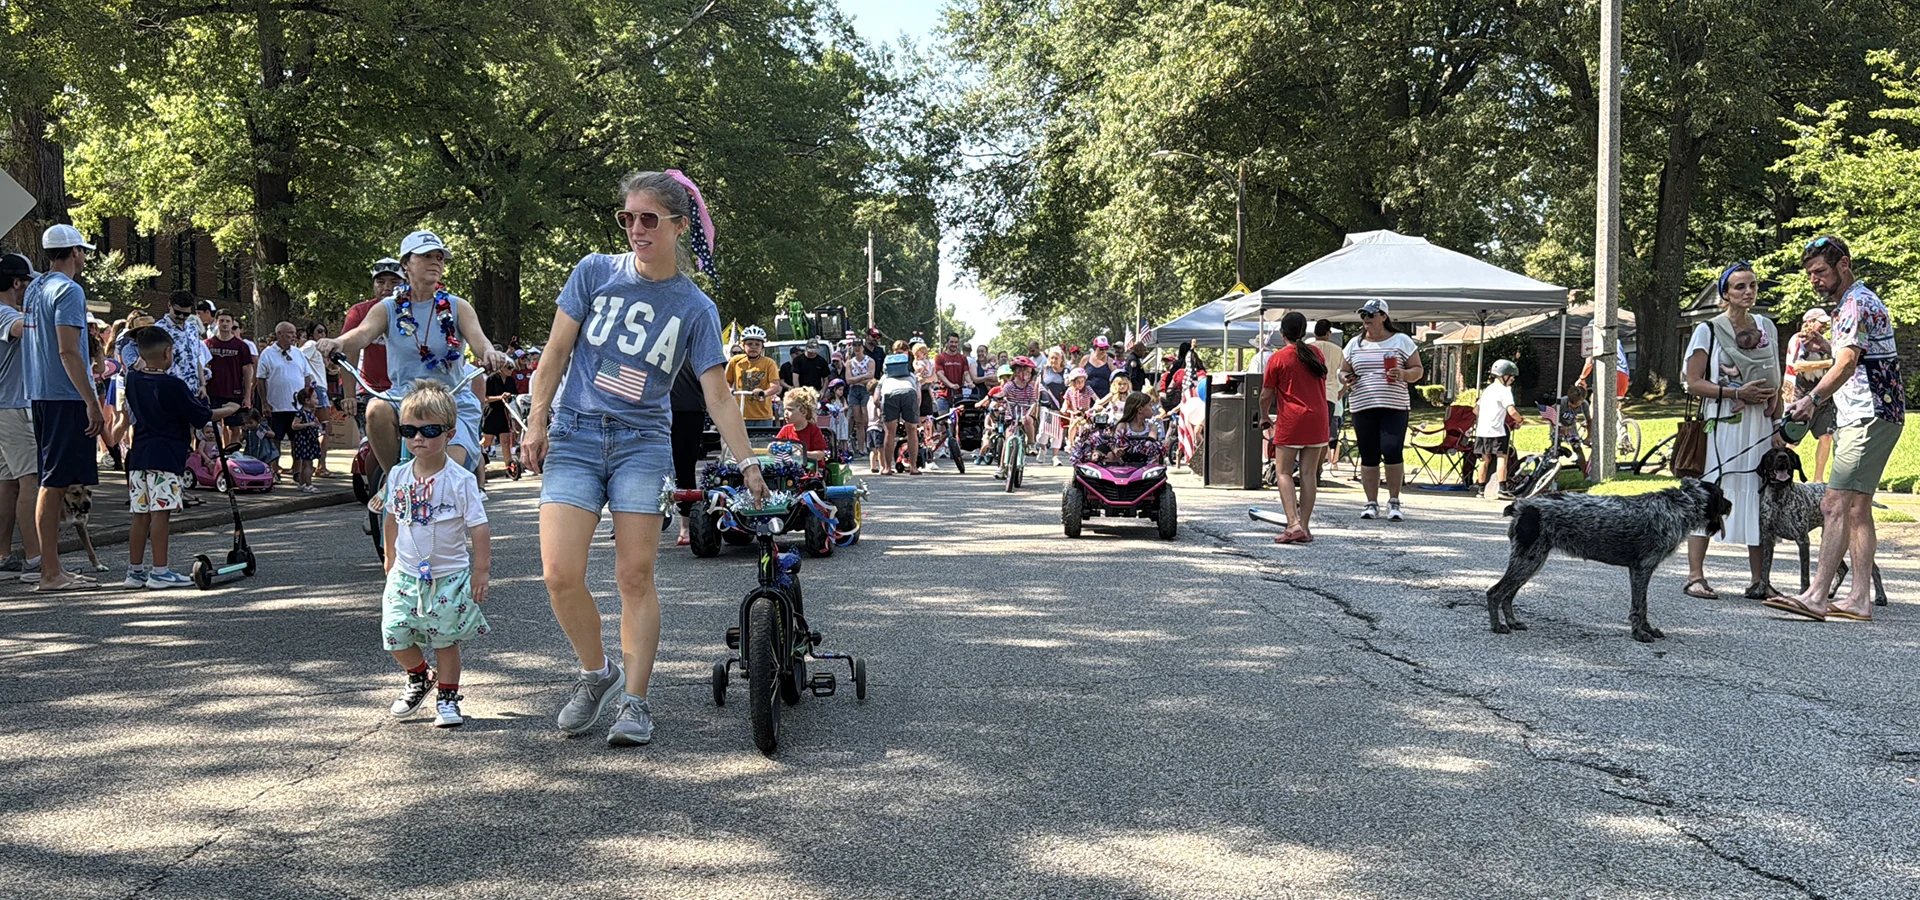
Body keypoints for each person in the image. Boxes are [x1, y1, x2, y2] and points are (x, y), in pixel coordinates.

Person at [522, 170, 765, 747]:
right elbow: (555, 353)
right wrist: (537, 421)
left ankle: (635, 701)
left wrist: (749, 463)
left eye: (649, 218)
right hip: (577, 434)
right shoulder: (593, 273)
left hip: (643, 443)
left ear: (680, 226)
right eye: (627, 217)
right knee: (559, 575)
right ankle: (596, 672)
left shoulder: (696, 308)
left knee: (634, 575)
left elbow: (717, 396)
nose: (636, 228)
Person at [1772, 236, 1904, 623]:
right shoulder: (1857, 302)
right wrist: (1827, 342)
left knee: (1833, 504)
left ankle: (1816, 595)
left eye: (1821, 271)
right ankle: (1859, 599)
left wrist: (1811, 400)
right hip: (1877, 414)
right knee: (1858, 509)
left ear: (1843, 264)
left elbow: (1847, 363)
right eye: (1810, 273)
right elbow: (1855, 353)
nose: (1814, 279)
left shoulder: (1854, 303)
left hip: (1868, 414)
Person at [320, 232, 509, 476]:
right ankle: (395, 479)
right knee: (376, 409)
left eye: (439, 257)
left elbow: (481, 343)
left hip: (451, 399)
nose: (435, 262)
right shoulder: (388, 307)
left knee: (448, 468)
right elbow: (362, 334)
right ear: (406, 264)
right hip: (404, 397)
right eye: (426, 256)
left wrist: (492, 354)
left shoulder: (457, 306)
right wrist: (336, 342)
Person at [376, 379, 492, 728]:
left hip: (449, 575)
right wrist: (389, 555)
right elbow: (392, 518)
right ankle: (418, 675)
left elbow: (479, 527)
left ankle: (447, 695)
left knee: (444, 639)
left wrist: (481, 571)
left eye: (429, 430)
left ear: (450, 433)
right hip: (406, 572)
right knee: (395, 632)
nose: (417, 438)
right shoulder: (397, 475)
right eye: (408, 430)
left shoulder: (459, 480)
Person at [1679, 262, 1781, 602]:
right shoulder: (1707, 329)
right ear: (1725, 293)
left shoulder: (1766, 326)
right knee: (1711, 493)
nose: (1748, 292)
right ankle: (1695, 576)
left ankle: (1758, 579)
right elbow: (1693, 382)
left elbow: (1775, 376)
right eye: (1739, 287)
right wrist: (1736, 393)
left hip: (1759, 424)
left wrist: (1777, 422)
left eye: (1752, 285)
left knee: (1759, 493)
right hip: (1722, 423)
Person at [22, 225, 106, 590]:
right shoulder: (69, 290)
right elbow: (69, 350)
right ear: (74, 252)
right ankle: (50, 573)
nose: (84, 257)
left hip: (40, 392)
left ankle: (53, 567)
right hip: (64, 396)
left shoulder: (35, 288)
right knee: (54, 482)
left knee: (53, 480)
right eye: (83, 251)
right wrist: (92, 401)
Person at [123, 327, 240, 588]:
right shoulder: (172, 384)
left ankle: (135, 571)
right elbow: (201, 415)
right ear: (167, 352)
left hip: (139, 454)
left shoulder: (133, 379)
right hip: (165, 456)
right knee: (161, 513)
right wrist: (230, 408)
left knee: (140, 513)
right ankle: (160, 571)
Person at [1337, 298, 1422, 521]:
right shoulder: (1355, 343)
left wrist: (1403, 374)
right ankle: (1371, 502)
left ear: (1383, 317)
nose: (1366, 319)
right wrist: (1346, 377)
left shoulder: (1401, 340)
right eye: (1363, 315)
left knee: (1392, 449)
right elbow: (1341, 371)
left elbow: (1418, 370)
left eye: (1371, 315)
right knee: (1369, 453)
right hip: (1363, 405)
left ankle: (1394, 501)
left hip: (1394, 405)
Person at [1262, 312, 1330, 544]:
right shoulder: (1317, 353)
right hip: (1318, 419)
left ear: (1282, 333)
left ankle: (1293, 523)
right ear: (1304, 332)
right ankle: (1306, 527)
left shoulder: (1278, 358)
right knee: (1309, 474)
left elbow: (1265, 394)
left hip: (1292, 420)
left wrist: (1263, 416)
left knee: (1284, 472)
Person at [0, 254, 41, 575]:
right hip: (12, 407)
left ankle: (4, 555)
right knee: (31, 480)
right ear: (17, 283)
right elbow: (20, 328)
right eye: (28, 283)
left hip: (6, 408)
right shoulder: (5, 312)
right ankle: (36, 558)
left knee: (9, 483)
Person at [342, 258, 402, 436]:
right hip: (372, 390)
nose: (387, 287)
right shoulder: (360, 312)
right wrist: (349, 395)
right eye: (381, 281)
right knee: (375, 443)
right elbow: (349, 353)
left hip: (407, 388)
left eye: (394, 282)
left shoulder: (414, 311)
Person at [254, 321, 318, 475]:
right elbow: (260, 379)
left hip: (297, 407)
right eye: (289, 332)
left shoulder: (298, 353)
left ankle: (297, 471)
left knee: (297, 440)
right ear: (279, 334)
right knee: (275, 439)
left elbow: (307, 376)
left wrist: (307, 399)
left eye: (294, 332)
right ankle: (274, 470)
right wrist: (264, 403)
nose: (293, 336)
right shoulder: (267, 353)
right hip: (276, 405)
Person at [1784, 308, 1836, 481]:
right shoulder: (1798, 340)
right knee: (1791, 439)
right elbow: (1797, 366)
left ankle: (1818, 479)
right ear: (1810, 322)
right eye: (1821, 323)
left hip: (1822, 396)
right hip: (1798, 395)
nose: (1825, 326)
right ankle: (1785, 475)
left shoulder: (1825, 342)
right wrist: (1829, 363)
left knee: (1827, 436)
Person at [203, 309, 255, 446]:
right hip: (212, 392)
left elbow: (248, 370)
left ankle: (232, 455)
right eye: (221, 321)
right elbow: (201, 368)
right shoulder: (207, 344)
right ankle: (210, 456)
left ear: (232, 323)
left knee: (234, 428)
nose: (225, 324)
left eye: (227, 321)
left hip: (233, 392)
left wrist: (247, 395)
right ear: (216, 322)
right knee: (209, 428)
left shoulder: (241, 346)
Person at [669, 361, 707, 546]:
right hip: (652, 410)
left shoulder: (696, 344)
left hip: (688, 409)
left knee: (685, 467)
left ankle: (686, 524)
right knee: (645, 468)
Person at [1473, 359, 1521, 499]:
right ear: (1503, 376)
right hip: (1497, 431)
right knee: (1502, 458)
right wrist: (1520, 420)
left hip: (1482, 430)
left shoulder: (1487, 390)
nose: (1512, 379)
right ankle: (1502, 488)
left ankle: (1481, 490)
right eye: (1511, 376)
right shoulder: (1505, 391)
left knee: (1484, 460)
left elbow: (1476, 410)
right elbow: (1511, 411)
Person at [300, 321, 340, 477]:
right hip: (316, 388)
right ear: (312, 334)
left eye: (324, 332)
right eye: (319, 332)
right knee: (326, 427)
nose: (323, 335)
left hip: (320, 388)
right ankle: (321, 466)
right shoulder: (311, 345)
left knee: (318, 427)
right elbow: (298, 356)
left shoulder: (319, 350)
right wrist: (308, 378)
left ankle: (314, 465)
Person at [156, 290, 213, 397]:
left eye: (186, 314)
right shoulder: (159, 329)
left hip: (193, 391)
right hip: (169, 391)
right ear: (169, 305)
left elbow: (196, 359)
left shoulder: (192, 328)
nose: (181, 317)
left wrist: (202, 385)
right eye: (177, 312)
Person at [1308, 320, 1345, 480]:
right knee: (1323, 435)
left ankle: (1306, 467)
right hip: (1330, 394)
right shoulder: (1337, 350)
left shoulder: (1308, 347)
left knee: (1308, 433)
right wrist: (1341, 391)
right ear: (1328, 333)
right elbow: (1347, 373)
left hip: (1309, 394)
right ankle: (1318, 469)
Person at [726, 325, 781, 428]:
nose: (753, 347)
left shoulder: (769, 363)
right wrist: (729, 389)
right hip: (741, 413)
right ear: (743, 345)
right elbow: (727, 380)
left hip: (762, 415)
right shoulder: (736, 361)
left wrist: (764, 393)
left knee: (761, 442)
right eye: (750, 344)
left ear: (762, 347)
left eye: (757, 344)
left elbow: (775, 387)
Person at [877, 348, 921, 475]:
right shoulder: (912, 376)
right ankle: (913, 467)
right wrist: (916, 408)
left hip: (889, 394)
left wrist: (881, 408)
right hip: (909, 393)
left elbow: (875, 398)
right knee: (912, 431)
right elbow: (918, 396)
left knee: (889, 432)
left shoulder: (884, 378)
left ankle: (887, 468)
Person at [776, 386, 830, 462]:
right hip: (790, 467)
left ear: (804, 412)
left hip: (811, 469)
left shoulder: (813, 430)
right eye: (785, 409)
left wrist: (803, 453)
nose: (786, 413)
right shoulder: (786, 429)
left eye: (790, 409)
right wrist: (774, 447)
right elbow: (775, 445)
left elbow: (821, 454)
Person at [289, 386, 324, 493]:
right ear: (307, 400)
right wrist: (308, 424)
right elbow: (294, 426)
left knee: (306, 463)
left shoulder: (311, 413)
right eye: (315, 398)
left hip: (310, 440)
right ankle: (308, 484)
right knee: (308, 464)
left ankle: (302, 483)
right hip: (304, 441)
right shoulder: (301, 413)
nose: (317, 401)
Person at [844, 338, 874, 450]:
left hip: (866, 390)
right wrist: (863, 376)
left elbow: (871, 379)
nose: (857, 347)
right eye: (854, 345)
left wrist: (856, 378)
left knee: (867, 419)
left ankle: (870, 445)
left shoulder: (870, 361)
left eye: (859, 345)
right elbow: (848, 380)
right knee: (858, 421)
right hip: (854, 391)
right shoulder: (849, 362)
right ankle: (861, 447)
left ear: (863, 347)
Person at [934, 333, 971, 411]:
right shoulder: (940, 357)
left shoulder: (962, 358)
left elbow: (966, 373)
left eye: (956, 342)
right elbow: (940, 374)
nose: (954, 344)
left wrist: (970, 382)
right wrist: (951, 385)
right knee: (942, 420)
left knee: (958, 420)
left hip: (958, 395)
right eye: (951, 342)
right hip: (943, 394)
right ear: (947, 343)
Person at [242, 408, 281, 478]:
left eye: (250, 423)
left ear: (258, 421)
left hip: (264, 451)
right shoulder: (247, 430)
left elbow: (273, 434)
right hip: (251, 451)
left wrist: (268, 433)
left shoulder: (262, 427)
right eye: (246, 423)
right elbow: (241, 438)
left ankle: (269, 478)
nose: (248, 425)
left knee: (266, 466)